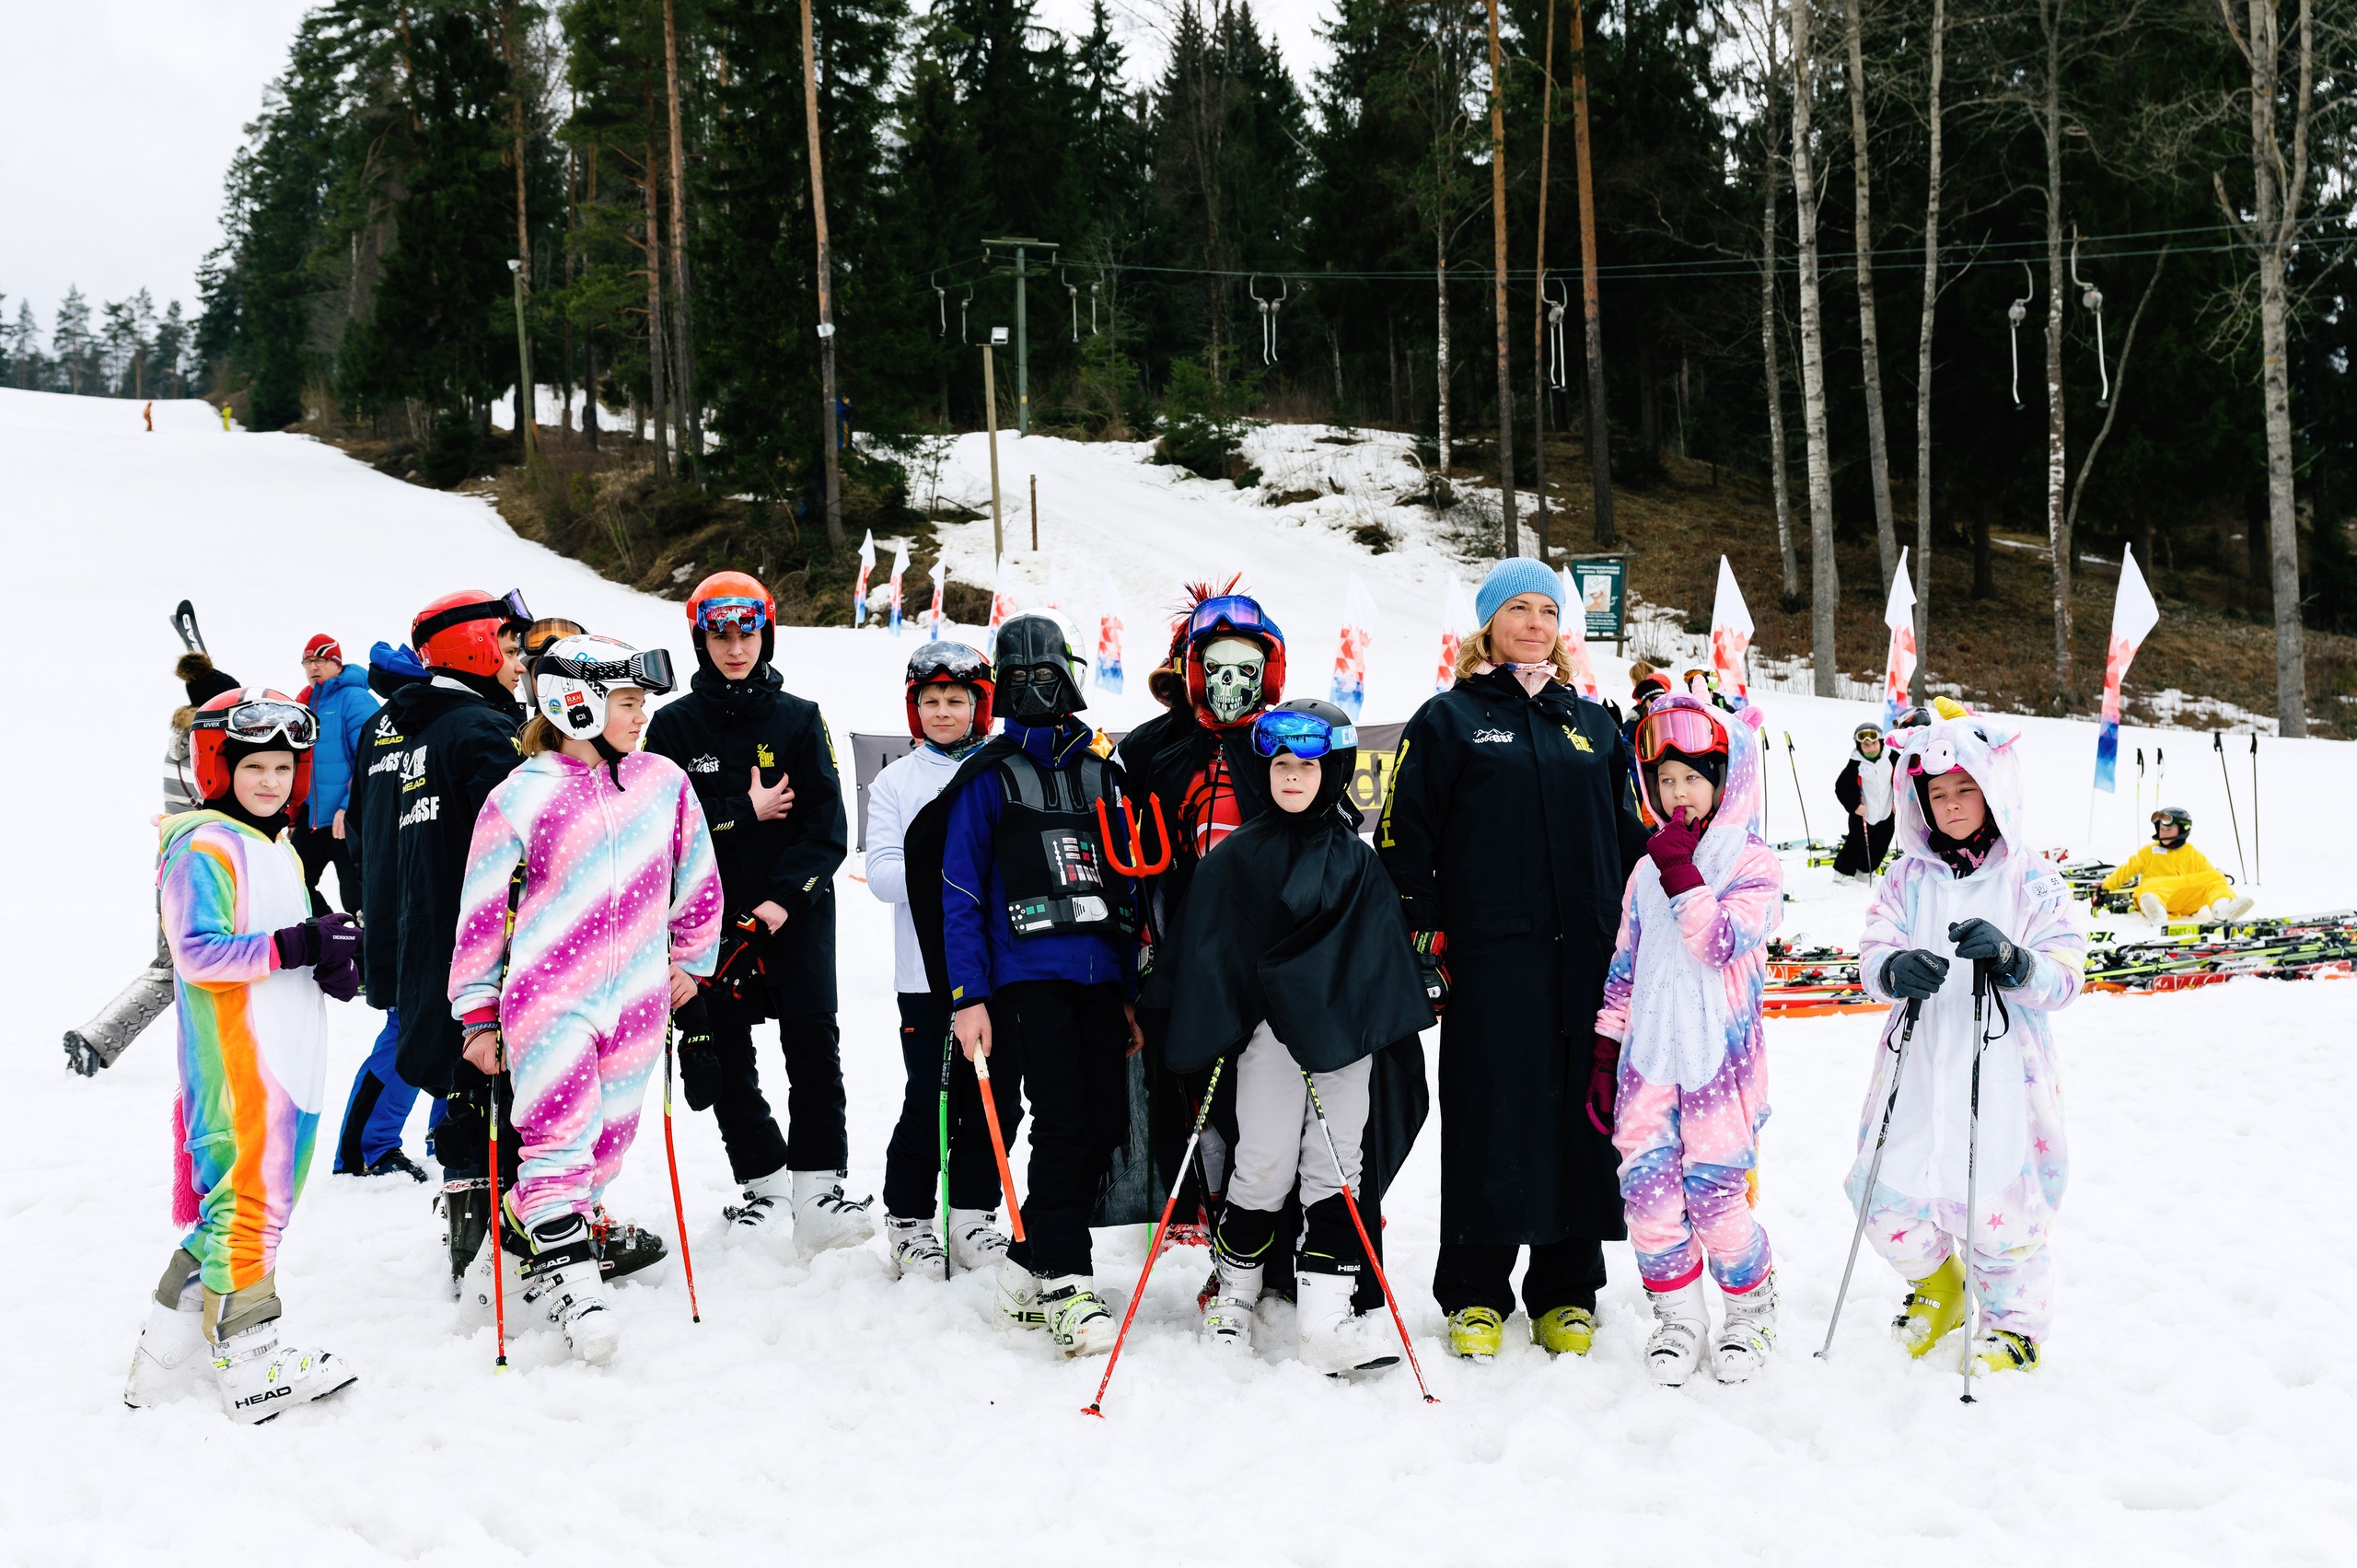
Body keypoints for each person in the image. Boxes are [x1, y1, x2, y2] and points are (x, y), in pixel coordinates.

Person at [1376, 556, 1648, 1361]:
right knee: (1491, 1113)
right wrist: (1423, 935)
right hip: (1492, 960)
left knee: (1579, 1115)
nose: (1534, 623)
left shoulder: (1595, 724)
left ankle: (1567, 1290)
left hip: (1586, 959)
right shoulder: (1449, 720)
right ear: (1488, 624)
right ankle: (1475, 1292)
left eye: (1546, 610)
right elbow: (1404, 839)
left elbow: (1632, 845)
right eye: (1517, 609)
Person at [448, 633, 722, 1364]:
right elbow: (479, 914)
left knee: (605, 1148)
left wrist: (692, 963)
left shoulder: (662, 781)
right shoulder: (520, 795)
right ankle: (577, 1293)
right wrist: (477, 1013)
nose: (641, 717)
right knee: (558, 1145)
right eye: (628, 703)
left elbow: (698, 876)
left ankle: (504, 1257)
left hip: (637, 996)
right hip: (549, 998)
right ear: (578, 705)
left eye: (640, 702)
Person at [903, 611, 1144, 1356]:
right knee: (1063, 1118)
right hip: (1027, 977)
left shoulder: (1105, 770)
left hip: (1103, 976)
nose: (1036, 688)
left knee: (1107, 1125)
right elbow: (958, 890)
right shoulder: (987, 776)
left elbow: (1129, 883)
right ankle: (1068, 1281)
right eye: (1020, 677)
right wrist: (967, 996)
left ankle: (1024, 1261)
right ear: (998, 687)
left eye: (1049, 673)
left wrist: (1131, 990)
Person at [1166, 701, 1431, 1375]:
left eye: (1307, 766)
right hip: (1265, 1042)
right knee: (1265, 1160)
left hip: (1341, 1041)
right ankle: (1236, 1293)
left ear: (1333, 770)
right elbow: (1210, 953)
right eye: (1280, 764)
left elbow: (1374, 955)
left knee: (1337, 1166)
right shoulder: (1234, 858)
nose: (1292, 777)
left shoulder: (1357, 860)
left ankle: (1327, 1315)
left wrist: (1327, 997)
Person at [123, 687, 364, 1422]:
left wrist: (328, 949)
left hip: (286, 1057)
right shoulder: (202, 843)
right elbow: (195, 953)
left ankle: (165, 1355)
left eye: (284, 768)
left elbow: (280, 936)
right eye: (255, 765)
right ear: (218, 767)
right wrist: (297, 944)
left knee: (238, 1207)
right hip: (241, 1067)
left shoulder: (275, 844)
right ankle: (254, 1359)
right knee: (251, 1208)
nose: (271, 781)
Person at [644, 572, 870, 1257]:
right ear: (700, 637)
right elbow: (661, 826)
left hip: (794, 914)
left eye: (746, 632)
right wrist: (744, 811)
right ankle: (766, 1183)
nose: (735, 647)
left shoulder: (799, 717)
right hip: (706, 923)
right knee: (724, 1057)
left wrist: (780, 900)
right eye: (720, 634)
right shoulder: (673, 725)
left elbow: (827, 827)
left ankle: (818, 1188)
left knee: (812, 1050)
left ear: (765, 632)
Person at [1853, 714, 2085, 1378]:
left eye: (1965, 790)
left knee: (1997, 1199)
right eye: (1938, 795)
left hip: (2002, 1063)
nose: (1951, 806)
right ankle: (1941, 1283)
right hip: (1920, 1059)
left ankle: (2014, 1323)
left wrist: (2015, 961)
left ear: (1993, 791)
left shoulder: (2030, 876)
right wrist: (1893, 968)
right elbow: (1873, 947)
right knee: (1883, 1186)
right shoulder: (1906, 877)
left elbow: (2067, 969)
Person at [1588, 696, 1784, 1385]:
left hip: (1717, 1070)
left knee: (1716, 1194)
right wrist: (1607, 1053)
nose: (1677, 793)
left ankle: (1750, 1308)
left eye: (1691, 778)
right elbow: (1625, 965)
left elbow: (1722, 940)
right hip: (1648, 1063)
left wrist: (1683, 874)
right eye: (1664, 780)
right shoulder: (1646, 869)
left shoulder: (1753, 863)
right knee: (1646, 1191)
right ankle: (1679, 1315)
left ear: (1724, 779)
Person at [1113, 583, 1286, 1249]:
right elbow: (1135, 860)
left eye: (1246, 669)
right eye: (1214, 668)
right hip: (1186, 945)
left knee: (1271, 1095)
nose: (1230, 684)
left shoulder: (1283, 741)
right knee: (1197, 1087)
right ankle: (1214, 1215)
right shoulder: (1154, 751)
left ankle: (1287, 1221)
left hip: (1273, 952)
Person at [381, 588, 535, 1295]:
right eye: (506, 648)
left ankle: (474, 1242)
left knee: (468, 1090)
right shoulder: (479, 730)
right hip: (485, 948)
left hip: (430, 944)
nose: (517, 663)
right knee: (501, 1090)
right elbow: (520, 849)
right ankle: (503, 1251)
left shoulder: (417, 729)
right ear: (472, 645)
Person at [864, 641, 1019, 1280]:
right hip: (925, 976)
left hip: (999, 969)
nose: (943, 711)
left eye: (956, 699)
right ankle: (909, 1219)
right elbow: (881, 874)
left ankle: (974, 1213)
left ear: (980, 704)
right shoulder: (897, 781)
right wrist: (955, 876)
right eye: (930, 701)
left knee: (999, 1097)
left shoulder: (1002, 769)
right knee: (930, 1094)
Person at [62, 649, 243, 1075]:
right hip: (201, 866)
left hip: (176, 863)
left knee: (179, 966)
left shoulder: (183, 742)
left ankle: (97, 1039)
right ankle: (99, 1040)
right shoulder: (206, 749)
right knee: (191, 966)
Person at [333, 640, 435, 1181]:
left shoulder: (388, 721)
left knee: (463, 1021)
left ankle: (444, 1133)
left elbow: (359, 820)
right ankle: (365, 1148)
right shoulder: (405, 722)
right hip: (407, 901)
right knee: (410, 1024)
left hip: (400, 893)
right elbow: (365, 816)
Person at [292, 634, 377, 914]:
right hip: (312, 820)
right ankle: (333, 940)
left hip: (347, 821)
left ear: (337, 663)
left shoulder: (355, 698)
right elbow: (294, 764)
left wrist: (347, 807)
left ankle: (366, 955)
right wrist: (293, 816)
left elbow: (372, 759)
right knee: (294, 885)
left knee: (358, 899)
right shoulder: (303, 705)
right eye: (308, 662)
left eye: (320, 660)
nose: (313, 667)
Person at [2099, 807, 2251, 923]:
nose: (2163, 833)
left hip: (2185, 903)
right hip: (2155, 896)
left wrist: (2219, 883)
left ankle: (2223, 909)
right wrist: (2105, 887)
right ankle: (2157, 912)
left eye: (2169, 829)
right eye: (2161, 829)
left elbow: (2214, 882)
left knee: (2216, 876)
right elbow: (2127, 869)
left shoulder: (2193, 854)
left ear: (2183, 829)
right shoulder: (2149, 852)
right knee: (2150, 886)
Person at [1833, 721, 1898, 884]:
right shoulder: (1856, 763)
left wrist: (1898, 801)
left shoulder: (1893, 758)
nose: (1871, 748)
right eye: (1866, 745)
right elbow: (1841, 787)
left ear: (1881, 742)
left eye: (1874, 743)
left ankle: (1865, 871)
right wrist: (1853, 806)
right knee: (1857, 843)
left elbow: (1903, 780)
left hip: (1886, 811)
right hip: (1863, 813)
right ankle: (1842, 872)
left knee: (1881, 844)